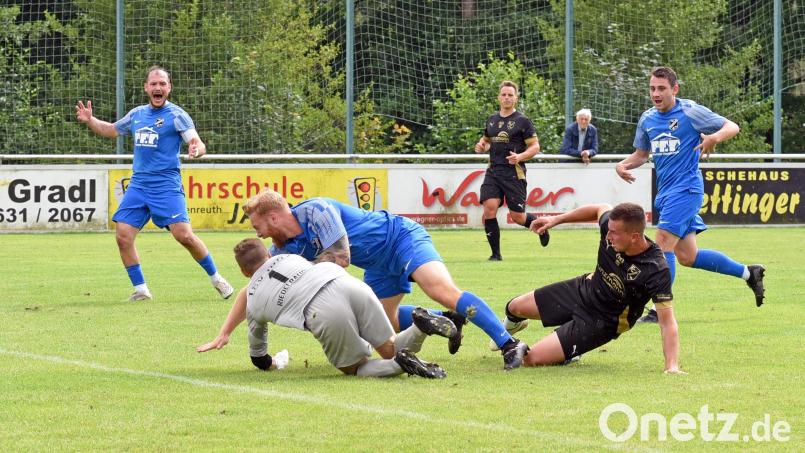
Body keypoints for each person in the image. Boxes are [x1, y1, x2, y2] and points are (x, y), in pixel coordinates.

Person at [242, 188, 531, 370]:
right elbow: (258, 282)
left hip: (399, 237)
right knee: (384, 322)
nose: (259, 234)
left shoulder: (316, 210)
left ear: (274, 216)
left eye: (259, 226)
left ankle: (508, 344)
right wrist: (225, 332)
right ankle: (447, 318)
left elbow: (342, 259)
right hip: (378, 265)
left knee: (439, 288)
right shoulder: (282, 248)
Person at [615, 66, 765, 323]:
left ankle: (658, 309)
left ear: (675, 89)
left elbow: (732, 126)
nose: (656, 93)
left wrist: (714, 138)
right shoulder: (648, 118)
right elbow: (641, 155)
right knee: (688, 256)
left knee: (662, 244)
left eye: (661, 88)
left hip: (686, 189)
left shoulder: (689, 111)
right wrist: (622, 165)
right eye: (652, 88)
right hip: (666, 192)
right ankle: (749, 273)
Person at [75, 66, 233, 301]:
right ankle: (141, 290)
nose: (158, 87)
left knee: (184, 236)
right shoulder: (137, 114)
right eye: (154, 84)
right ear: (146, 88)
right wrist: (90, 120)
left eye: (162, 84)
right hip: (139, 185)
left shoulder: (177, 115)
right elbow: (111, 130)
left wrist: (196, 149)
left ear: (169, 88)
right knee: (123, 236)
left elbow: (197, 142)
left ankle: (216, 278)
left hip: (166, 185)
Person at [197, 238, 447, 379]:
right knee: (390, 346)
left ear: (243, 271)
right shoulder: (289, 257)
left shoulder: (252, 299)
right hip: (344, 282)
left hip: (320, 308)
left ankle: (402, 365)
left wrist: (273, 363)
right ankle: (419, 327)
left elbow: (259, 357)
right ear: (268, 253)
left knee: (355, 367)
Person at [495, 203, 684, 373]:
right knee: (513, 307)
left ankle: (570, 353)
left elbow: (667, 322)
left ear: (634, 237)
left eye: (614, 233)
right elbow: (598, 208)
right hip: (584, 289)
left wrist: (672, 366)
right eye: (608, 230)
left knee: (531, 359)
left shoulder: (655, 269)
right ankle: (517, 329)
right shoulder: (611, 229)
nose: (608, 237)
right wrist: (556, 220)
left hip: (602, 321)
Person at [474, 80, 548, 261]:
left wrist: (520, 157)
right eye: (504, 94)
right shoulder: (492, 120)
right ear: (499, 97)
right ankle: (495, 255)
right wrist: (482, 146)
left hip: (514, 173)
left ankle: (542, 226)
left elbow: (535, 146)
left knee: (517, 217)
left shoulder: (522, 121)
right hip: (493, 171)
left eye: (510, 95)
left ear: (516, 98)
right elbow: (486, 140)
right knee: (489, 209)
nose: (506, 98)